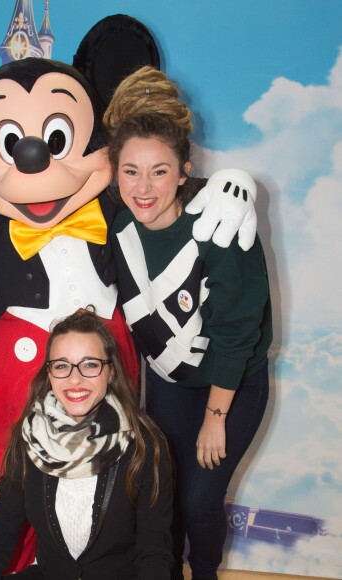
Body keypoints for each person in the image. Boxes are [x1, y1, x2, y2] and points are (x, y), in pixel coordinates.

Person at [106, 66, 272, 580]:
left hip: (232, 381)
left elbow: (239, 328)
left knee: (201, 499)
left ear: (184, 171)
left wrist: (215, 416)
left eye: (160, 171)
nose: (143, 186)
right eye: (130, 170)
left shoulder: (220, 224)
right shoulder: (114, 220)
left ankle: (204, 573)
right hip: (171, 380)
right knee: (165, 492)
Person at [0, 308, 174, 580]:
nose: (75, 379)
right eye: (62, 365)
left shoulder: (146, 444)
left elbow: (154, 551)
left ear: (110, 372)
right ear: (49, 374)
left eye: (90, 364)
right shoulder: (27, 439)